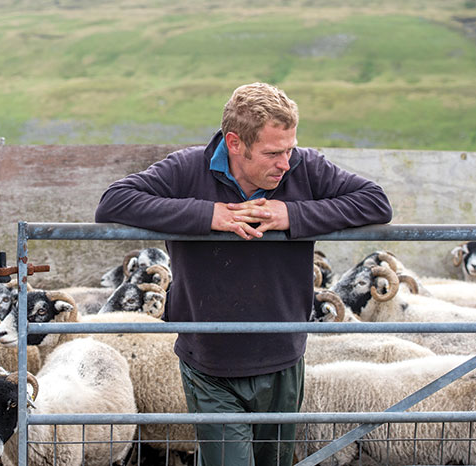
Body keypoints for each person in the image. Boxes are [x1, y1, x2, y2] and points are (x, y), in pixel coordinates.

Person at [94, 82, 393, 466]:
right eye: (273, 153)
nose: (285, 163)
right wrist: (208, 215)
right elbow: (113, 202)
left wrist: (294, 215)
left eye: (289, 148)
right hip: (210, 360)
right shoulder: (187, 169)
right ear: (235, 143)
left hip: (282, 354)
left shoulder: (305, 167)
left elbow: (376, 201)